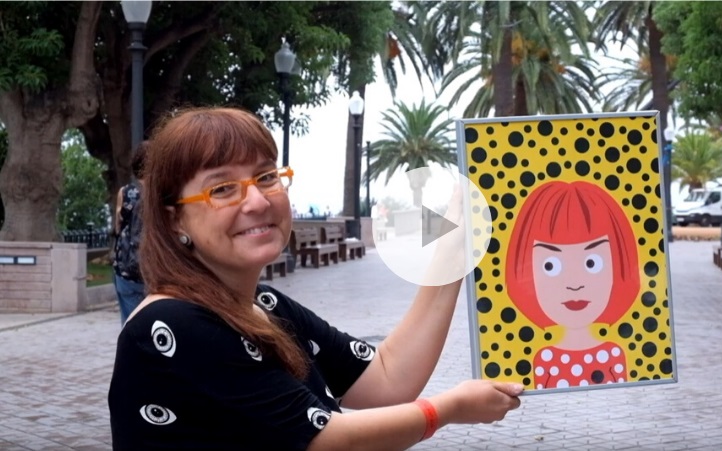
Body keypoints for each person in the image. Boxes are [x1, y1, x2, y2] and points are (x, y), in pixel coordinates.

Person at [108, 107, 522, 450]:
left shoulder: (264, 306)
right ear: (174, 219)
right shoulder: (170, 325)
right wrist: (447, 410)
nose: (257, 200)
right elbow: (326, 440)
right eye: (223, 189)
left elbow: (387, 377)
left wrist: (454, 250)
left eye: (266, 176)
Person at [505, 181, 640, 389]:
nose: (574, 284)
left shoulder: (614, 355)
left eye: (592, 263)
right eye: (550, 266)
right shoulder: (545, 359)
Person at [112, 142, 148, 324]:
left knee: (130, 323)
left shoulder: (126, 192)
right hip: (155, 272)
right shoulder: (163, 194)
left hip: (126, 269)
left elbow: (118, 228)